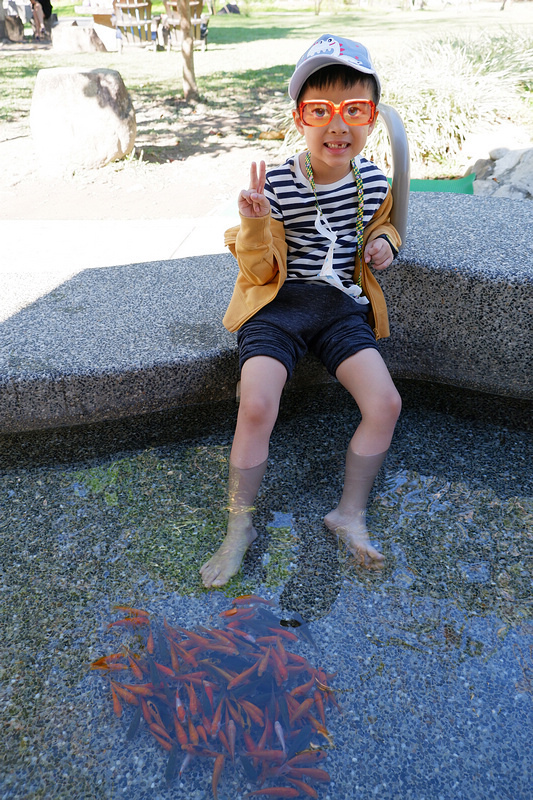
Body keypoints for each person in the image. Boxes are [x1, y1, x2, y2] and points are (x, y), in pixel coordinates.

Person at [200, 34, 402, 588]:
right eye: (321, 111)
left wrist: (386, 241)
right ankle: (238, 524)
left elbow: (383, 223)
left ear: (372, 117)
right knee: (257, 404)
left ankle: (349, 512)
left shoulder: (375, 181)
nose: (337, 126)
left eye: (353, 110)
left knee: (384, 403)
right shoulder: (282, 183)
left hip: (339, 310)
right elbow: (259, 272)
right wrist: (255, 222)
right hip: (277, 308)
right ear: (300, 118)